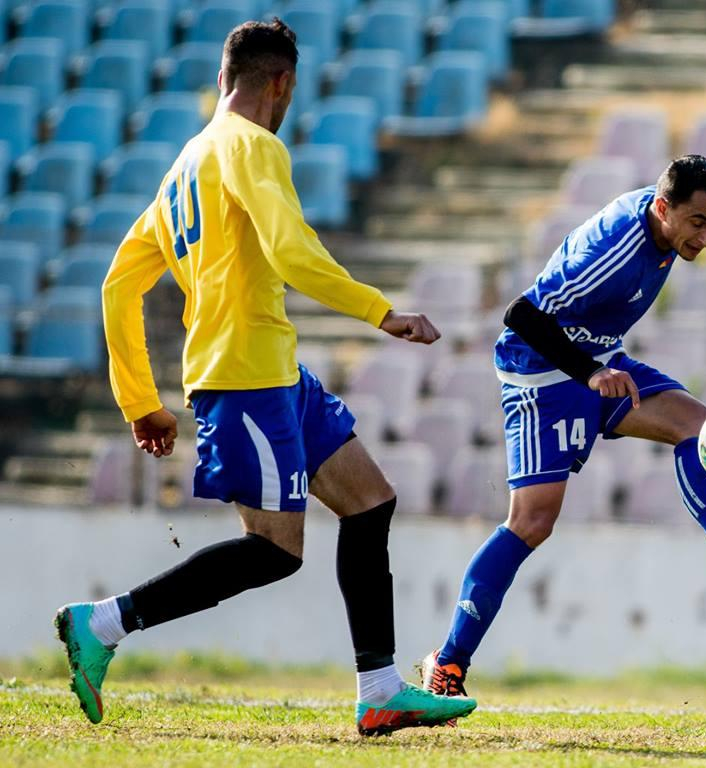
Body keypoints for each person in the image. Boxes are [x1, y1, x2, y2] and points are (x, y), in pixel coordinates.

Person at [54, 19, 475, 736]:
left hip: (274, 368)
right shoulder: (255, 146)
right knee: (277, 551)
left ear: (223, 79)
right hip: (243, 375)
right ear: (281, 83)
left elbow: (119, 286)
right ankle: (104, 623)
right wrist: (383, 313)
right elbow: (291, 251)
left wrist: (139, 400)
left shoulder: (186, 163)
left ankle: (380, 688)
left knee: (370, 501)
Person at [421, 154, 706, 699]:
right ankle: (446, 663)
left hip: (600, 359)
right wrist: (590, 374)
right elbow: (521, 315)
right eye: (698, 225)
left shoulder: (675, 212)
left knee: (700, 428)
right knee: (533, 522)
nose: (705, 239)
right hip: (541, 373)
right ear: (663, 209)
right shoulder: (610, 252)